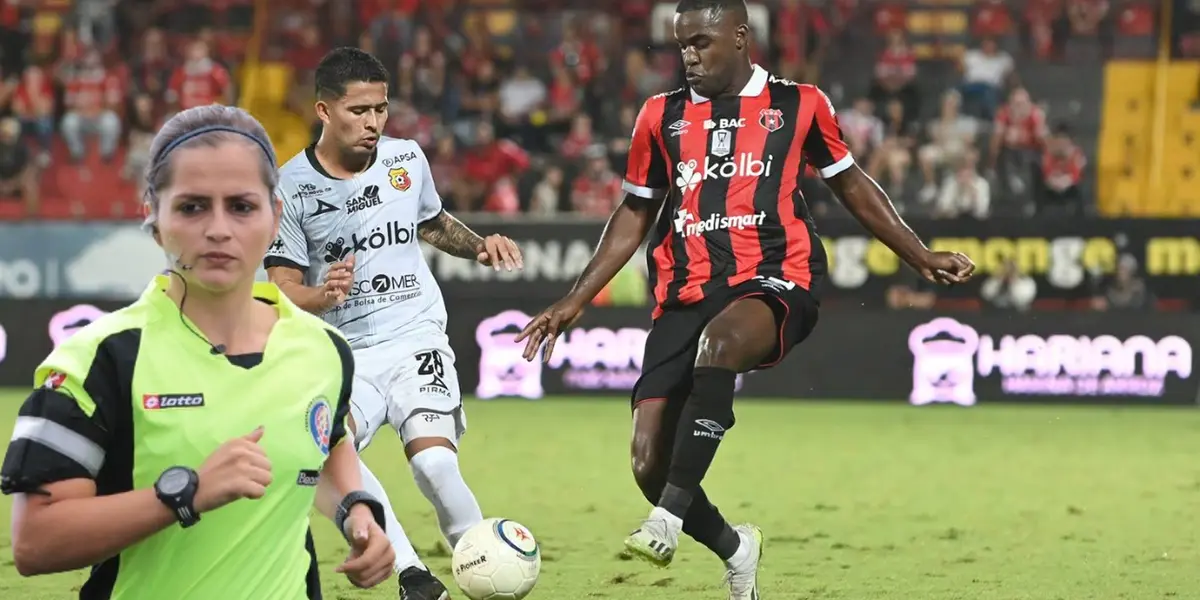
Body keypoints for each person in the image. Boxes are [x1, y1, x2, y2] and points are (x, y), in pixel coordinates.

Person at [516, 1, 977, 598]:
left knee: (722, 345)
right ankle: (736, 547)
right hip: (684, 290)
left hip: (777, 275)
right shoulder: (661, 115)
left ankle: (667, 518)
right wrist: (576, 299)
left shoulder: (799, 104)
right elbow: (635, 211)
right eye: (681, 45)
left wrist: (920, 254)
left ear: (740, 38)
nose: (689, 55)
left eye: (701, 42)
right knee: (646, 461)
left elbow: (851, 183)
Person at [0, 105, 396, 598]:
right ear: (152, 214)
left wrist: (355, 509)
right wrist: (186, 494)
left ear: (276, 215)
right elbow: (35, 544)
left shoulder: (324, 349)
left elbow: (326, 438)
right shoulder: (99, 359)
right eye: (191, 206)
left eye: (242, 206)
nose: (218, 229)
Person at [265, 48, 523, 600]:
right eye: (359, 111)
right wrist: (321, 294)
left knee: (434, 465)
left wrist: (480, 247)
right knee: (329, 452)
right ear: (323, 111)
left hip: (414, 337)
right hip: (343, 353)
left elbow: (431, 223)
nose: (374, 123)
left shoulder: (406, 158)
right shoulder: (289, 189)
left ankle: (484, 573)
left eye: (381, 109)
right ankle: (414, 576)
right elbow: (282, 290)